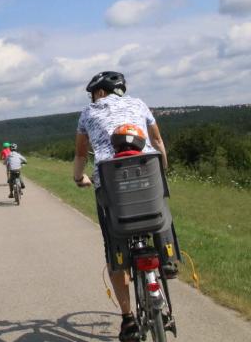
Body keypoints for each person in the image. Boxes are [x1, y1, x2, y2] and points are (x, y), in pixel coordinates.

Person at [73, 71, 177, 342]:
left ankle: (128, 319)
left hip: (111, 183)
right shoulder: (140, 104)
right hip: (148, 174)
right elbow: (157, 142)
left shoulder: (87, 112)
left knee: (115, 247)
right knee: (160, 211)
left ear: (99, 92)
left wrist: (78, 177)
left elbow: (81, 154)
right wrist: (162, 169)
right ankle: (168, 260)